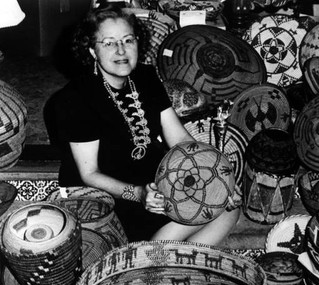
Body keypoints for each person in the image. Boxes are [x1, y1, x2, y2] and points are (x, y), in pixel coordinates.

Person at [47, 5, 241, 244]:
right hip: (110, 193)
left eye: (128, 40)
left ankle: (167, 259)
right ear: (92, 50)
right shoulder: (74, 99)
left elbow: (179, 139)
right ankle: (154, 256)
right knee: (187, 219)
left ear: (138, 42)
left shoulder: (146, 77)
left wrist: (219, 178)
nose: (121, 50)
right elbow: (90, 174)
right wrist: (138, 193)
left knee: (228, 207)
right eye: (108, 42)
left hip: (156, 179)